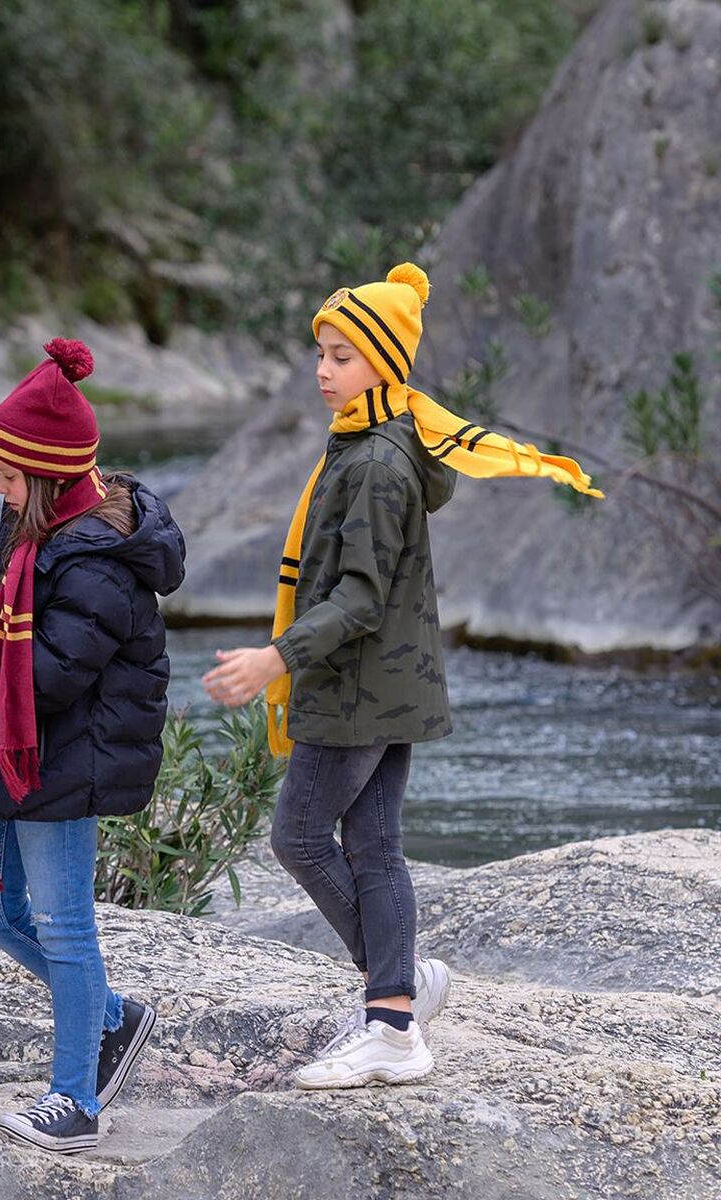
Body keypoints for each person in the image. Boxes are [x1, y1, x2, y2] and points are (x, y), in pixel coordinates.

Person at [204, 263, 602, 1089]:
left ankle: (394, 1007)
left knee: (298, 837)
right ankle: (396, 1004)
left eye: (342, 355)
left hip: (357, 687)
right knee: (374, 845)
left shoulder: (378, 461)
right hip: (392, 680)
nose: (323, 369)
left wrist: (276, 657)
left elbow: (360, 595)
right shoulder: (373, 440)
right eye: (321, 352)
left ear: (384, 365)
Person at [0, 338, 186, 1154]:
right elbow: (15, 638)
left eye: (8, 476)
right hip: (26, 745)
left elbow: (52, 672)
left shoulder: (95, 558)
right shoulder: (36, 528)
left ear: (49, 477)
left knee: (64, 925)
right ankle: (112, 1017)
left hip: (68, 757)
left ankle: (76, 1101)